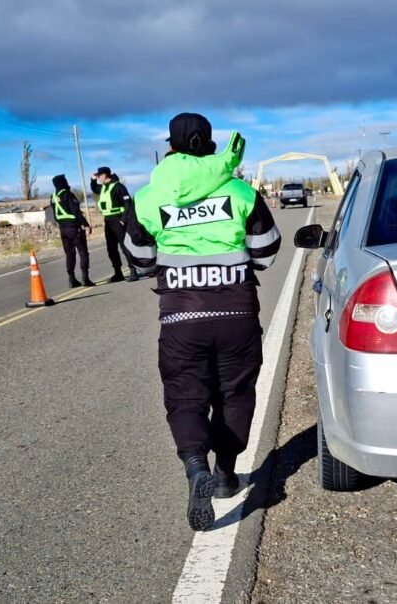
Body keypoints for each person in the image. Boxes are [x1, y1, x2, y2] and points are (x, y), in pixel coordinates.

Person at [123, 113, 281, 531]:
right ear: (210, 145)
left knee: (186, 396)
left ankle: (196, 467)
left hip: (181, 318)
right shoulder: (241, 191)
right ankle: (226, 474)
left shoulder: (147, 197)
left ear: (171, 147)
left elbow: (138, 259)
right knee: (235, 394)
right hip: (236, 316)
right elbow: (266, 252)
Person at [90, 167, 138, 282]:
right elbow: (94, 188)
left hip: (118, 219)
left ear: (105, 175)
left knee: (124, 246)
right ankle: (118, 272)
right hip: (108, 220)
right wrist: (92, 180)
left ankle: (133, 270)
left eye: (99, 176)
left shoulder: (118, 187)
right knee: (111, 248)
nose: (98, 178)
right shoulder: (103, 188)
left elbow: (128, 204)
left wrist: (123, 219)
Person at [51, 174, 96, 288]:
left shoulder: (53, 197)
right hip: (73, 227)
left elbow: (55, 215)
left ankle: (72, 279)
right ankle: (85, 279)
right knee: (83, 252)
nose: (67, 183)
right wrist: (85, 225)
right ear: (63, 183)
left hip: (63, 229)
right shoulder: (68, 195)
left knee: (69, 254)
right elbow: (76, 211)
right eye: (65, 181)